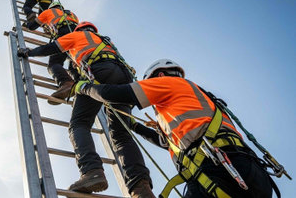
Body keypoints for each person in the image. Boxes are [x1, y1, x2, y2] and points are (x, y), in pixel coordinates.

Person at [74, 58, 277, 198]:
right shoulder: (198, 100)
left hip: (217, 170)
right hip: (246, 170)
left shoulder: (168, 83)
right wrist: (135, 126)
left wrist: (84, 87)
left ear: (159, 75)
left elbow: (114, 93)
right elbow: (166, 142)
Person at [17, 22, 154, 197]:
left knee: (79, 124)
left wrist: (29, 52)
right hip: (124, 79)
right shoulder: (105, 42)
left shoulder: (77, 35)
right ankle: (141, 189)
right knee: (121, 136)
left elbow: (52, 47)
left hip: (98, 72)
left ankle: (92, 171)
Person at [24, 1, 79, 104]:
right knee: (75, 66)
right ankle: (81, 92)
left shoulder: (48, 12)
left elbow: (33, 26)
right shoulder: (71, 14)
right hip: (79, 37)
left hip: (64, 35)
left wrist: (28, 24)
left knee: (54, 64)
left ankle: (66, 83)